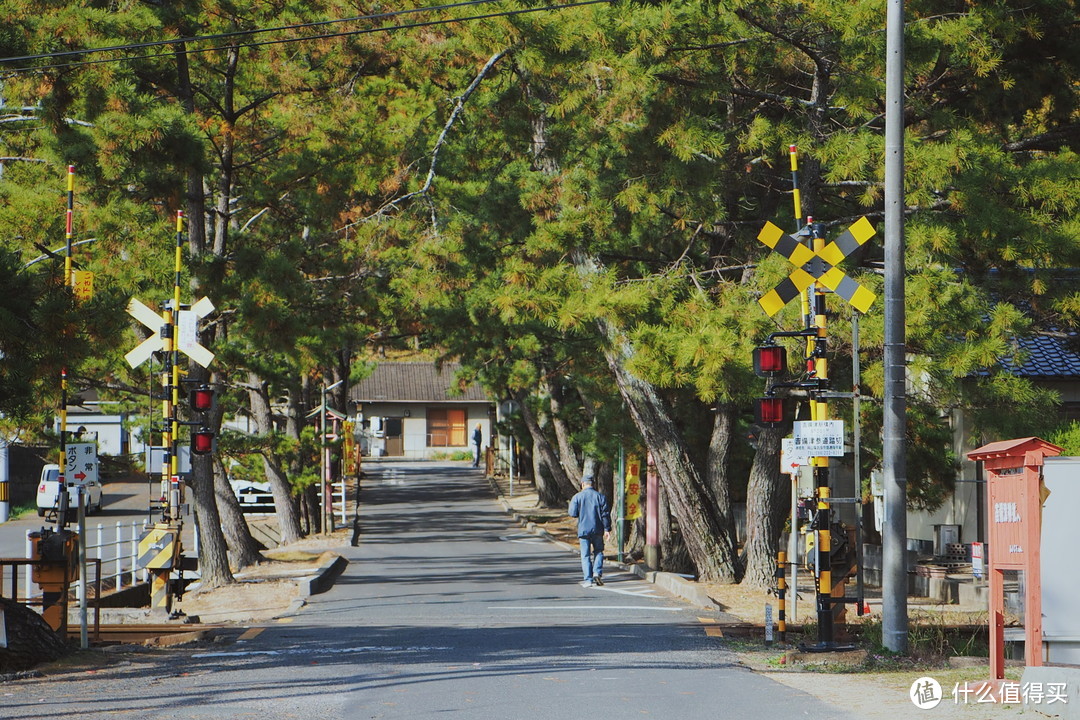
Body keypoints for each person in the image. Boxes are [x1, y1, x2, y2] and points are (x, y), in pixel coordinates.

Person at [567, 475, 611, 587]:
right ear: (593, 484)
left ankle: (588, 579)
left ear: (582, 484)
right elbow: (605, 514)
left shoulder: (577, 497)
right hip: (598, 528)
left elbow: (572, 513)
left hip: (583, 529)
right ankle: (597, 572)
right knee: (599, 551)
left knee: (585, 555)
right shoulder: (600, 497)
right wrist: (607, 529)